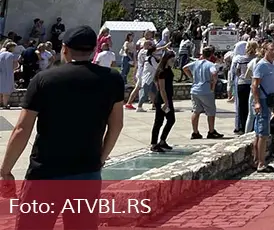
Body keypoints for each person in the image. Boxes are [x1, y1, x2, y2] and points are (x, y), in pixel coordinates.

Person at [0, 26, 124, 230]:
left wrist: (6, 170)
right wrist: (101, 158)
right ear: (94, 50)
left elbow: (22, 129)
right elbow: (116, 125)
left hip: (45, 172)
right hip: (87, 171)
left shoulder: (45, 79)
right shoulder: (112, 79)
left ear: (64, 49)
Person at [252, 40, 274, 172]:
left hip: (269, 101)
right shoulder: (261, 65)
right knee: (263, 133)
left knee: (260, 132)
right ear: (265, 50)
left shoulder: (272, 65)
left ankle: (258, 159)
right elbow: (255, 85)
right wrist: (257, 102)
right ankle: (261, 163)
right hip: (262, 101)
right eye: (271, 50)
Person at [184, 46, 224, 140]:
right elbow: (214, 73)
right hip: (206, 90)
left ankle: (195, 132)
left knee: (196, 111)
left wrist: (192, 78)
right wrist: (213, 85)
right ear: (211, 55)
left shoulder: (196, 63)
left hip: (195, 89)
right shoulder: (210, 64)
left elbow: (185, 68)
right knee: (210, 111)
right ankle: (211, 131)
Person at [150, 51, 177, 152]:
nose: (173, 61)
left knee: (171, 120)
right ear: (166, 59)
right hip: (162, 99)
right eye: (171, 59)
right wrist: (166, 102)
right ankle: (153, 144)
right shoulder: (162, 72)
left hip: (168, 98)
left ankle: (162, 140)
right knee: (158, 122)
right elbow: (162, 89)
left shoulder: (168, 69)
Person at [0, 41, 19, 108]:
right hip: (8, 74)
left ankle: (0, 102)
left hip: (1, 73)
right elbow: (15, 65)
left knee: (1, 88)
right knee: (6, 90)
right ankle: (5, 104)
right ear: (11, 48)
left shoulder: (1, 54)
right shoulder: (12, 55)